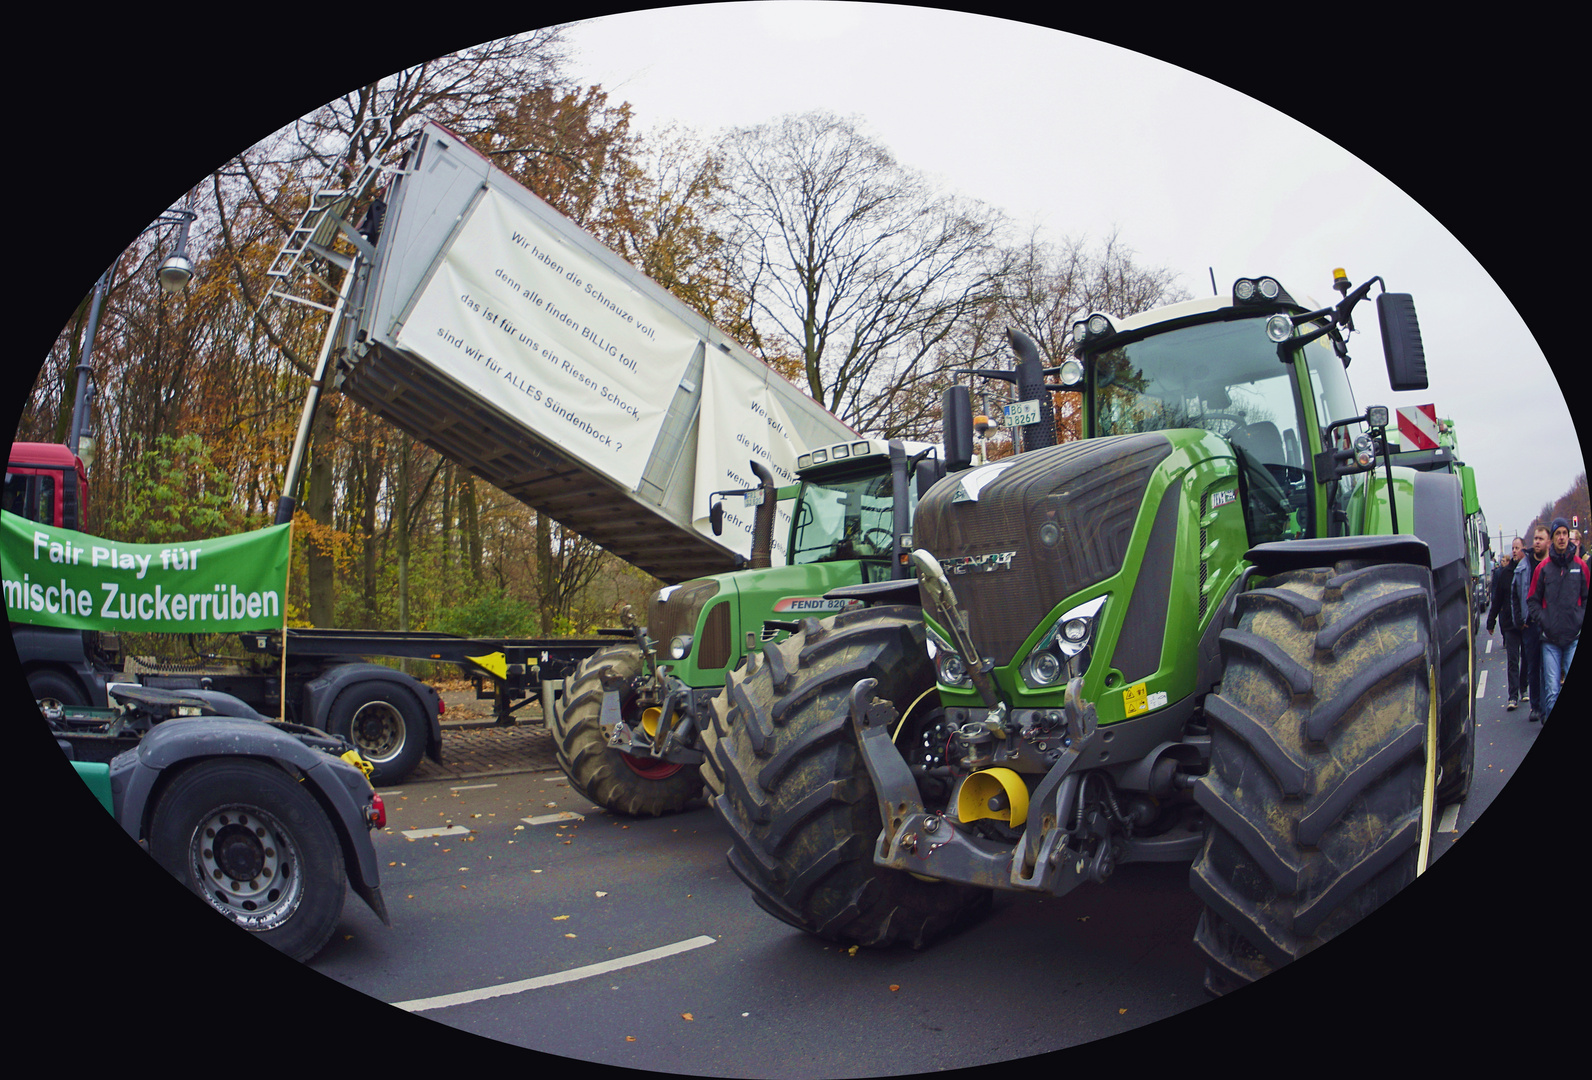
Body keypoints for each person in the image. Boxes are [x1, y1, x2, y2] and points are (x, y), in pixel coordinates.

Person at [1526, 517, 1586, 723]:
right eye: (1557, 534)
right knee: (1551, 693)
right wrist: (1544, 621)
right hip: (1550, 640)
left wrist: (1579, 618)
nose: (1561, 537)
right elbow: (1532, 600)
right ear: (1553, 538)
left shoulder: (1581, 567)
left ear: (1569, 536)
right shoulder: (1542, 569)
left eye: (1564, 533)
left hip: (1573, 637)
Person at [1513, 524, 1550, 722]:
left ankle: (1547, 705)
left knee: (1549, 666)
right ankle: (1536, 706)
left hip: (1549, 624)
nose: (1536, 542)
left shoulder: (1553, 565)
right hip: (1530, 625)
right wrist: (1519, 620)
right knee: (1533, 666)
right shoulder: (1523, 566)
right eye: (1535, 538)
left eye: (1540, 538)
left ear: (1548, 542)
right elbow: (1514, 594)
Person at [1488, 536, 1526, 709]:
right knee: (1512, 660)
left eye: (1518, 547)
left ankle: (1524, 688)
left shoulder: (1528, 570)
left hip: (1526, 623)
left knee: (1526, 658)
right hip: (1510, 623)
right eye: (1513, 548)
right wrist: (1491, 621)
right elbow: (1497, 599)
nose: (1515, 551)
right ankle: (1513, 696)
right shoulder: (1505, 573)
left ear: (1524, 549)